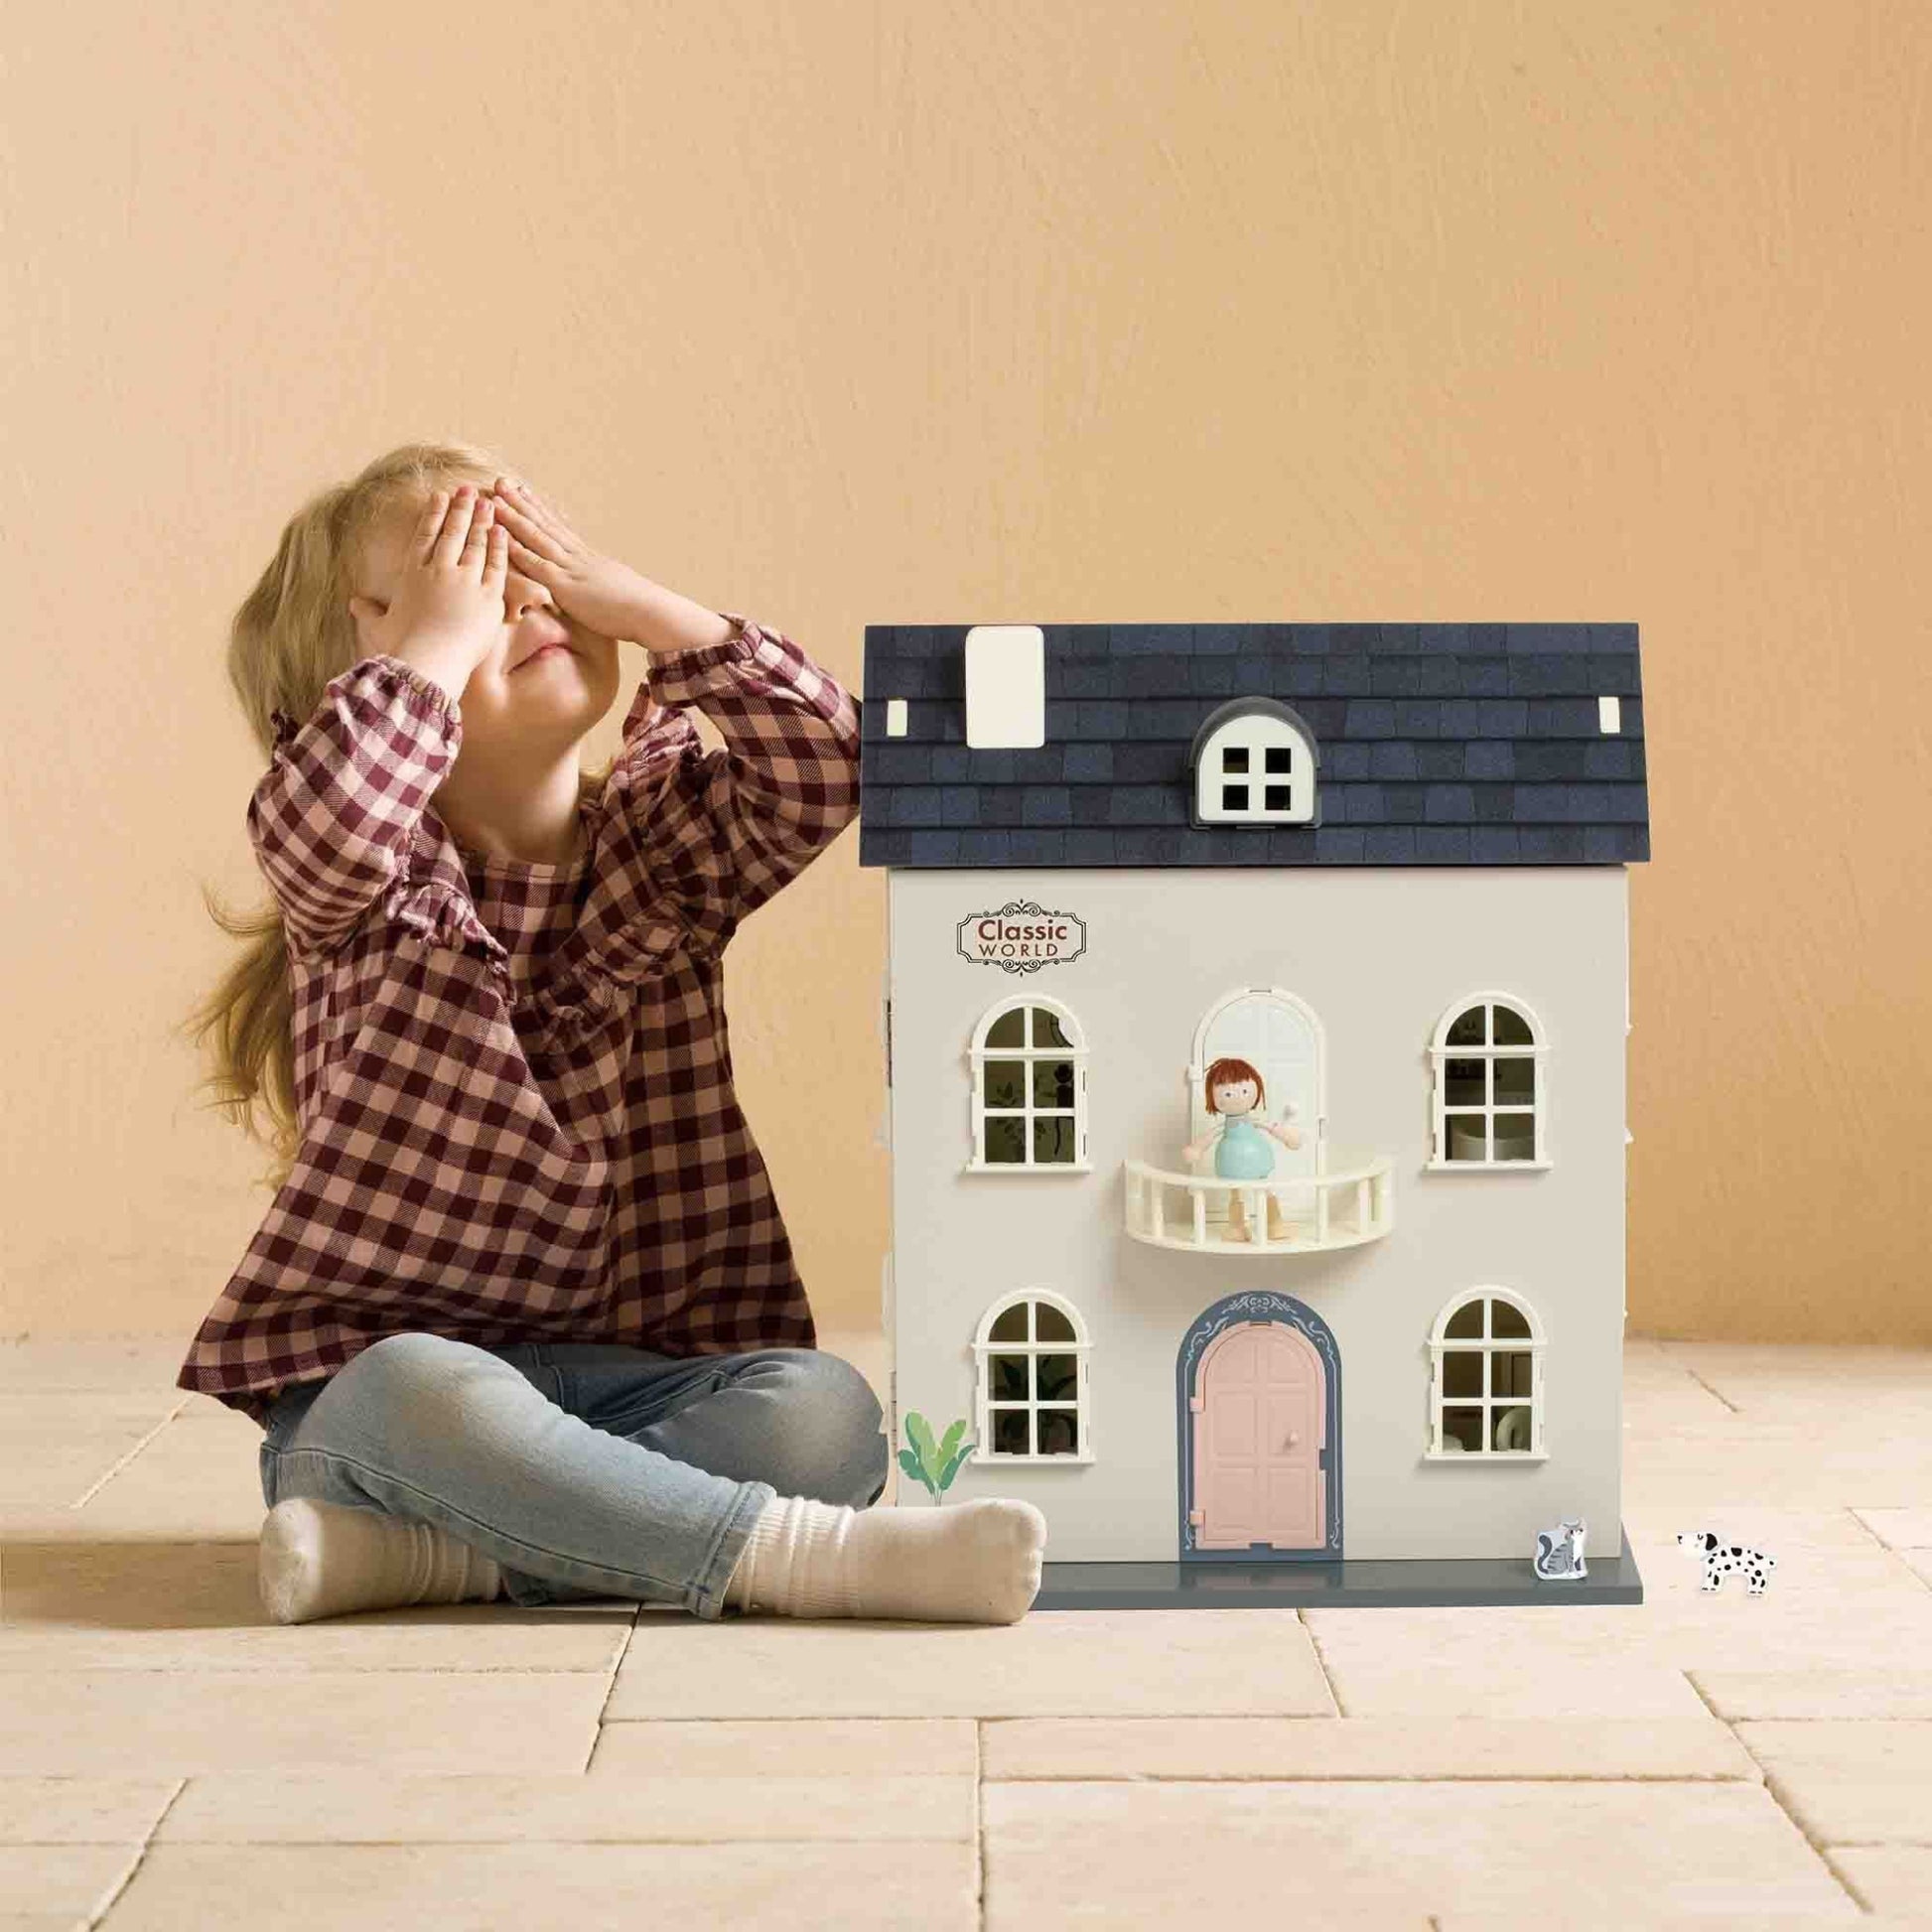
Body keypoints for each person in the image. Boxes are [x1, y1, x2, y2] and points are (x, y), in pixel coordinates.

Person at [175, 441, 1045, 1626]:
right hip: (394, 1405)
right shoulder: (369, 889)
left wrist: (638, 602)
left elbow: (833, 763)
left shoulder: (660, 852)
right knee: (417, 1387)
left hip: (644, 1386)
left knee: (825, 1410)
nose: (523, 602)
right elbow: (322, 817)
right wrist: (435, 647)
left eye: (534, 565)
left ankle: (452, 1556)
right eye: (470, 581)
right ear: (352, 688)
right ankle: (799, 1558)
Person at [1181, 1055, 1302, 1243]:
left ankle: (1274, 1223)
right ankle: (1237, 1227)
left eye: (1245, 1090)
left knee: (1266, 1189)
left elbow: (1273, 1128)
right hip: (1232, 1162)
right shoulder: (1225, 1126)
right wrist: (1196, 1149)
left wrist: (1288, 1137)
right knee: (1236, 1192)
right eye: (1227, 1094)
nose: (1237, 1097)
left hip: (1257, 1159)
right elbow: (1208, 1137)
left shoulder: (1253, 1121)